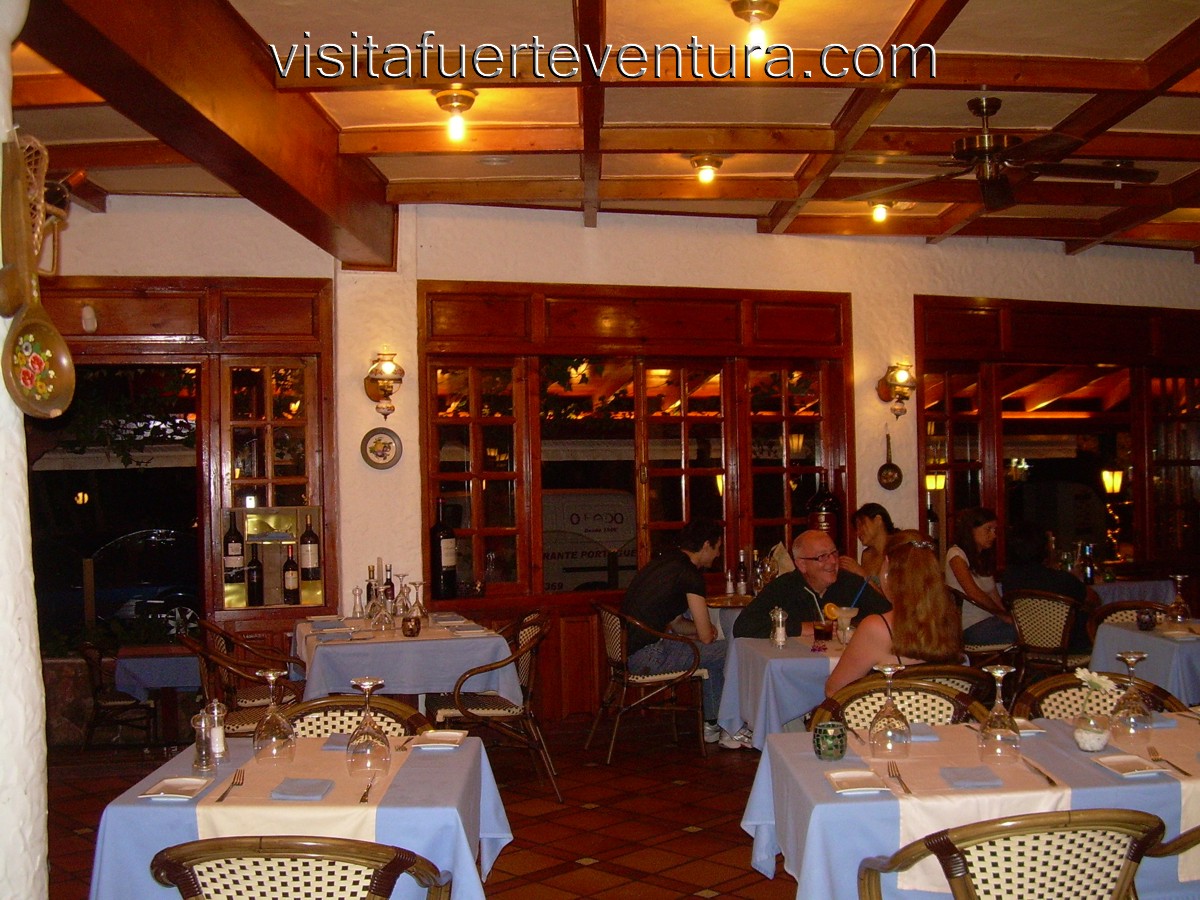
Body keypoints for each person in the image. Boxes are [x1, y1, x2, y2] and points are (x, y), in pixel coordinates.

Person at [622, 520, 746, 750]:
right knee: (733, 652)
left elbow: (677, 624)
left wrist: (703, 634)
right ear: (707, 545)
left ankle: (712, 724)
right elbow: (706, 636)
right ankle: (731, 728)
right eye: (718, 547)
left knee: (713, 654)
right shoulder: (690, 575)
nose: (718, 555)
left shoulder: (664, 563)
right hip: (651, 656)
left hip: (633, 651)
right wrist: (706, 633)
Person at [826, 530, 962, 695]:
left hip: (890, 717)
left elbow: (835, 691)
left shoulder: (878, 627)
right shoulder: (950, 620)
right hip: (941, 716)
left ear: (887, 568)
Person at [733, 529, 889, 640]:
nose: (833, 561)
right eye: (822, 557)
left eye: (834, 553)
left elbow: (888, 614)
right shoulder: (784, 587)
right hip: (797, 669)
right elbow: (743, 626)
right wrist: (802, 628)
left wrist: (856, 627)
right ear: (801, 565)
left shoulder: (851, 583)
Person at [1002, 521, 1099, 653]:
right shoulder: (1061, 579)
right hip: (1067, 643)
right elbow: (1094, 599)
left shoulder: (1010, 577)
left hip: (1028, 641)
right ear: (1043, 548)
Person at [946, 507, 1016, 645]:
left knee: (1029, 627)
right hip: (969, 625)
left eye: (994, 530)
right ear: (972, 530)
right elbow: (973, 592)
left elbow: (994, 594)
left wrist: (1009, 615)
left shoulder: (982, 557)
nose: (993, 535)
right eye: (988, 529)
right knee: (1025, 633)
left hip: (990, 620)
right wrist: (1001, 615)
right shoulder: (956, 555)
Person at [839, 502, 897, 590]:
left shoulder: (898, 551)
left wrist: (860, 572)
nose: (858, 533)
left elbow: (893, 597)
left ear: (878, 520)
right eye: (856, 528)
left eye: (861, 525)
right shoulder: (866, 555)